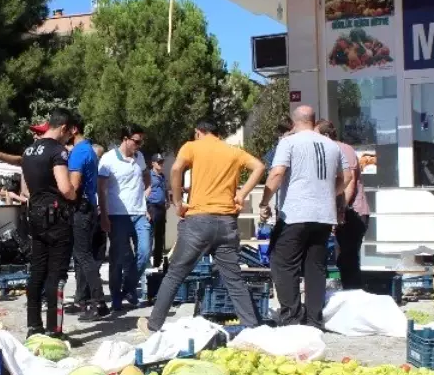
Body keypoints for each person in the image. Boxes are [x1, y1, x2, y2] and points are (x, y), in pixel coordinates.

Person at [140, 120, 266, 333]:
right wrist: (241, 195)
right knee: (233, 279)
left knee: (175, 275)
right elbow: (260, 167)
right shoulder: (233, 151)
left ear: (198, 132)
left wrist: (178, 202)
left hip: (198, 221)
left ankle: (154, 325)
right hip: (227, 223)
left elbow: (177, 168)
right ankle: (252, 328)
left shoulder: (192, 147)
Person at [259, 106, 346, 329]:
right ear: (313, 120)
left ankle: (292, 317)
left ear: (295, 122)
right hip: (323, 215)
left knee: (283, 264)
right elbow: (344, 178)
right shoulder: (332, 146)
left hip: (295, 213)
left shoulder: (289, 142)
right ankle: (314, 320)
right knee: (315, 267)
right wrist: (328, 193)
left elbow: (277, 172)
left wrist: (264, 200)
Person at [20, 109, 78, 337]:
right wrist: (75, 196)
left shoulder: (28, 151)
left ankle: (33, 327)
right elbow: (65, 187)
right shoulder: (57, 151)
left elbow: (25, 189)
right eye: (69, 133)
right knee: (56, 274)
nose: (68, 138)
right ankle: (55, 329)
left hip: (34, 215)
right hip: (56, 218)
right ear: (63, 128)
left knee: (36, 272)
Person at [98, 124, 152, 310]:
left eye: (141, 141)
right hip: (117, 214)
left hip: (139, 213)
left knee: (145, 252)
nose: (139, 145)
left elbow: (146, 177)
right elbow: (101, 189)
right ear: (125, 139)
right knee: (118, 258)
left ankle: (129, 287)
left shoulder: (140, 158)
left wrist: (146, 195)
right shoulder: (108, 159)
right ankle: (116, 297)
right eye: (136, 141)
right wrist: (104, 216)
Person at [317, 120, 367, 290]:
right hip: (340, 211)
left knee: (348, 257)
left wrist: (341, 209)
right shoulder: (327, 150)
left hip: (353, 212)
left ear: (325, 135)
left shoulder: (343, 149)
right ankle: (348, 291)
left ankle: (353, 293)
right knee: (343, 257)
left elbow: (349, 182)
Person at [66, 118, 109, 319]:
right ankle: (85, 300)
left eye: (64, 129)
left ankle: (98, 302)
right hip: (88, 208)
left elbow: (73, 188)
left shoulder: (79, 152)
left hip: (81, 210)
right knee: (82, 257)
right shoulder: (88, 150)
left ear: (74, 129)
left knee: (84, 257)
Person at [146, 153, 168, 269]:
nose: (161, 164)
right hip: (152, 207)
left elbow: (165, 190)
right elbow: (143, 192)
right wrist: (146, 210)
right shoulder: (148, 176)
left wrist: (167, 201)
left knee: (160, 236)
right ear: (153, 163)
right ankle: (147, 262)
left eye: (162, 162)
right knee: (150, 235)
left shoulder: (162, 176)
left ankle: (157, 262)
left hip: (161, 207)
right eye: (158, 162)